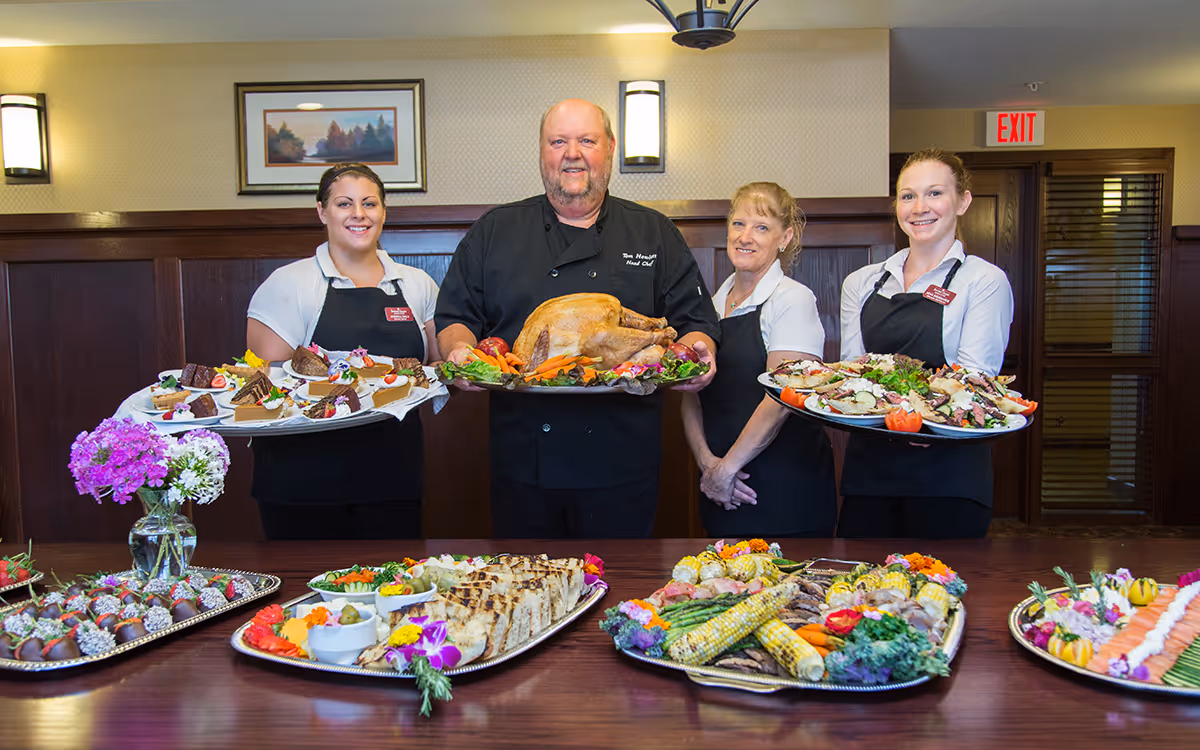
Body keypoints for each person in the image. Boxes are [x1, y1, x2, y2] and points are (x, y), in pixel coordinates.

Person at [435, 98, 720, 539]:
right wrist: (459, 352)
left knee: (619, 590)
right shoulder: (496, 230)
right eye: (559, 141)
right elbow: (455, 316)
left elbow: (696, 320)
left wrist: (699, 350)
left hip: (623, 460)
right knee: (527, 592)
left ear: (608, 149)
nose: (573, 153)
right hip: (523, 459)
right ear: (542, 152)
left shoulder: (653, 231)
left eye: (587, 140)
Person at [245, 163, 441, 540]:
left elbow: (434, 366)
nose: (359, 214)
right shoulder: (288, 284)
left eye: (369, 203)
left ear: (383, 212)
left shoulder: (416, 285)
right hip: (301, 480)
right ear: (321, 211)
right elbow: (266, 386)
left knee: (390, 589)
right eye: (344, 204)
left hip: (392, 476)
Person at [836, 148, 1014, 538]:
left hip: (948, 473)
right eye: (907, 195)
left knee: (940, 593)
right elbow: (852, 369)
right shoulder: (863, 282)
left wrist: (924, 422)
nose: (920, 207)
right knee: (863, 590)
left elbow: (974, 378)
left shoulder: (984, 281)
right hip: (871, 467)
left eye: (935, 193)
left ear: (962, 201)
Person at [681, 183, 837, 538]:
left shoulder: (793, 300)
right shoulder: (709, 306)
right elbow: (690, 396)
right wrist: (708, 466)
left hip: (784, 484)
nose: (745, 237)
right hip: (719, 488)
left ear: (785, 238)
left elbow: (781, 400)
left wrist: (727, 469)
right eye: (739, 224)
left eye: (761, 227)